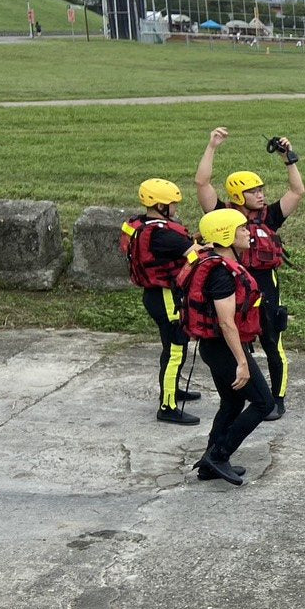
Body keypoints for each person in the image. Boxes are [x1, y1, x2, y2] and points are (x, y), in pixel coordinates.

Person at [196, 126, 305, 421]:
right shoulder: (222, 216)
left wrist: (289, 158)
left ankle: (277, 400)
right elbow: (202, 183)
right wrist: (212, 146)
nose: (261, 195)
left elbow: (297, 192)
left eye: (261, 190)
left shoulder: (268, 217)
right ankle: (244, 395)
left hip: (266, 292)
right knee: (239, 346)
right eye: (253, 191)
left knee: (273, 345)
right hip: (236, 294)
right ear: (237, 195)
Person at [177, 209, 273, 485]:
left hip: (214, 348)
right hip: (223, 348)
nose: (247, 232)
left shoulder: (213, 260)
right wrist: (242, 362)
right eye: (241, 228)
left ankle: (209, 463)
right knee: (262, 402)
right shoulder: (221, 273)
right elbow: (227, 322)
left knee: (232, 402)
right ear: (225, 235)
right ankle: (219, 455)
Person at [120, 178, 203, 425]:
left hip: (154, 295)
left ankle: (173, 389)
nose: (175, 208)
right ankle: (167, 405)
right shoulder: (164, 235)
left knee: (172, 347)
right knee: (176, 349)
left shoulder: (141, 225)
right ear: (160, 206)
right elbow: (195, 257)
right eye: (172, 204)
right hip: (167, 297)